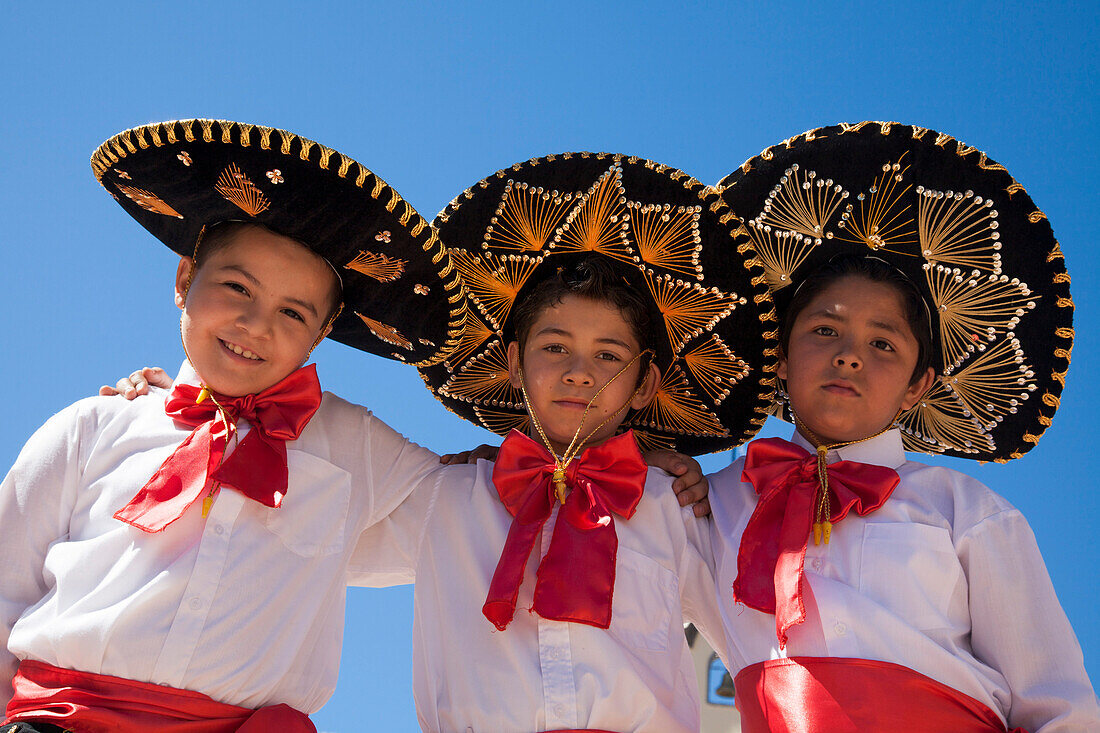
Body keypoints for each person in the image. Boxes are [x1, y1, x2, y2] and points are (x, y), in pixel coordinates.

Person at [0, 118, 470, 732]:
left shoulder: (356, 448)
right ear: (182, 279)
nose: (256, 324)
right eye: (236, 287)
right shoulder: (91, 428)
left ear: (323, 333)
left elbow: (476, 505)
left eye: (293, 312)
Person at [347, 153, 780, 731]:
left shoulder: (673, 510)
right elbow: (310, 541)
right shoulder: (444, 497)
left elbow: (762, 644)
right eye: (554, 347)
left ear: (645, 383)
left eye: (608, 355)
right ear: (512, 363)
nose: (580, 372)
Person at [708, 122, 1100, 731]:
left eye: (884, 343)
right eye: (823, 330)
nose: (849, 355)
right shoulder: (708, 504)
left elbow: (1055, 701)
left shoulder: (966, 510)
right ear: (778, 355)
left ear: (919, 383)